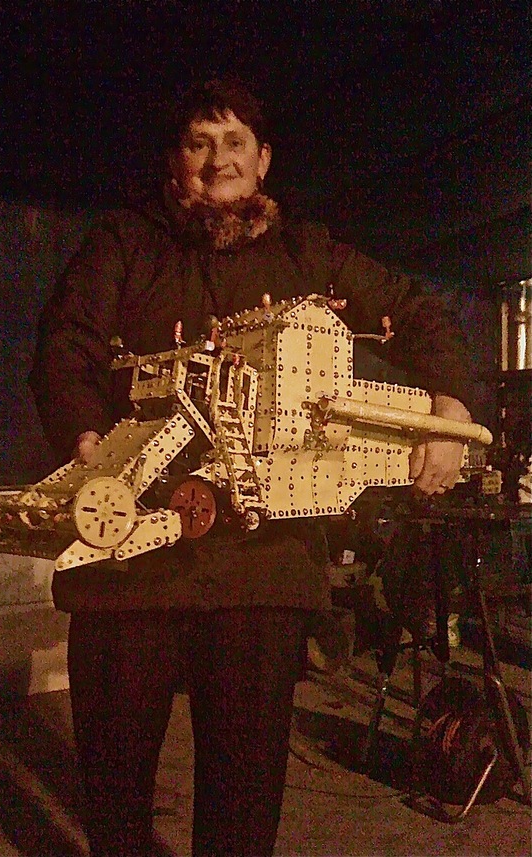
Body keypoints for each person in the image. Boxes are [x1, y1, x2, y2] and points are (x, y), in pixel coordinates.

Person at [29, 79, 474, 856]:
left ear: (263, 159)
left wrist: (452, 407)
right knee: (114, 782)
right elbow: (66, 347)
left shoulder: (309, 253)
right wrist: (89, 440)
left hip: (261, 567)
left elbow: (416, 310)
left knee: (244, 791)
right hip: (131, 558)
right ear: (176, 160)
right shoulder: (122, 243)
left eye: (235, 142)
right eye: (199, 143)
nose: (218, 160)